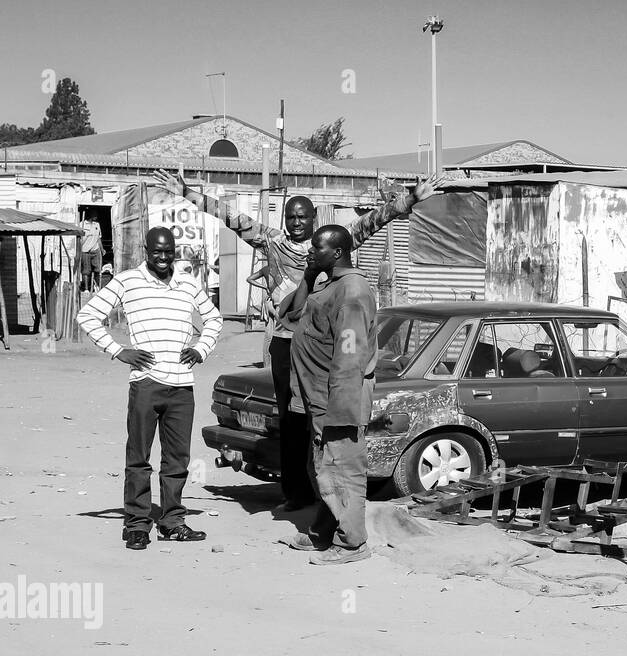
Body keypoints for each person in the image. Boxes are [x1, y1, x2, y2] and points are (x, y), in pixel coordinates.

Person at [150, 169, 437, 515]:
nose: (296, 222)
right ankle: (296, 494)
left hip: (322, 347)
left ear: (314, 218)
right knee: (289, 421)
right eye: (291, 217)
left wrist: (411, 199)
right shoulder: (273, 243)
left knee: (321, 421)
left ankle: (326, 495)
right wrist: (186, 192)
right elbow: (231, 218)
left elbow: (371, 222)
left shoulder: (329, 247)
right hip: (286, 343)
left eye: (302, 217)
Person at [76, 227, 223, 551]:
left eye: (168, 251)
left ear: (174, 252)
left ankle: (172, 522)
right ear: (146, 250)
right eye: (156, 251)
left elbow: (214, 318)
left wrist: (201, 349)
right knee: (138, 459)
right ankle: (137, 525)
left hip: (182, 387)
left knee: (177, 461)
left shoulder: (188, 281)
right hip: (145, 383)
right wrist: (118, 350)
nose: (162, 257)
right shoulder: (128, 280)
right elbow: (87, 315)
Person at [279, 225, 377, 565]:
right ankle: (324, 530)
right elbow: (290, 315)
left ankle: (352, 544)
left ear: (337, 253)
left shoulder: (351, 291)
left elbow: (351, 355)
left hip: (337, 399)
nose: (310, 251)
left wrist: (342, 408)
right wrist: (309, 273)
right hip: (318, 398)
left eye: (317, 248)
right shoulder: (328, 284)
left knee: (343, 468)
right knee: (322, 467)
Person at [79, 217, 104, 293]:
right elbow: (80, 239)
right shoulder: (82, 224)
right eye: (94, 214)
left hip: (95, 249)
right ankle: (86, 289)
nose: (96, 216)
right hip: (85, 250)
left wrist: (102, 249)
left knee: (98, 269)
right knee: (86, 271)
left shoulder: (97, 224)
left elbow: (98, 238)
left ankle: (97, 286)